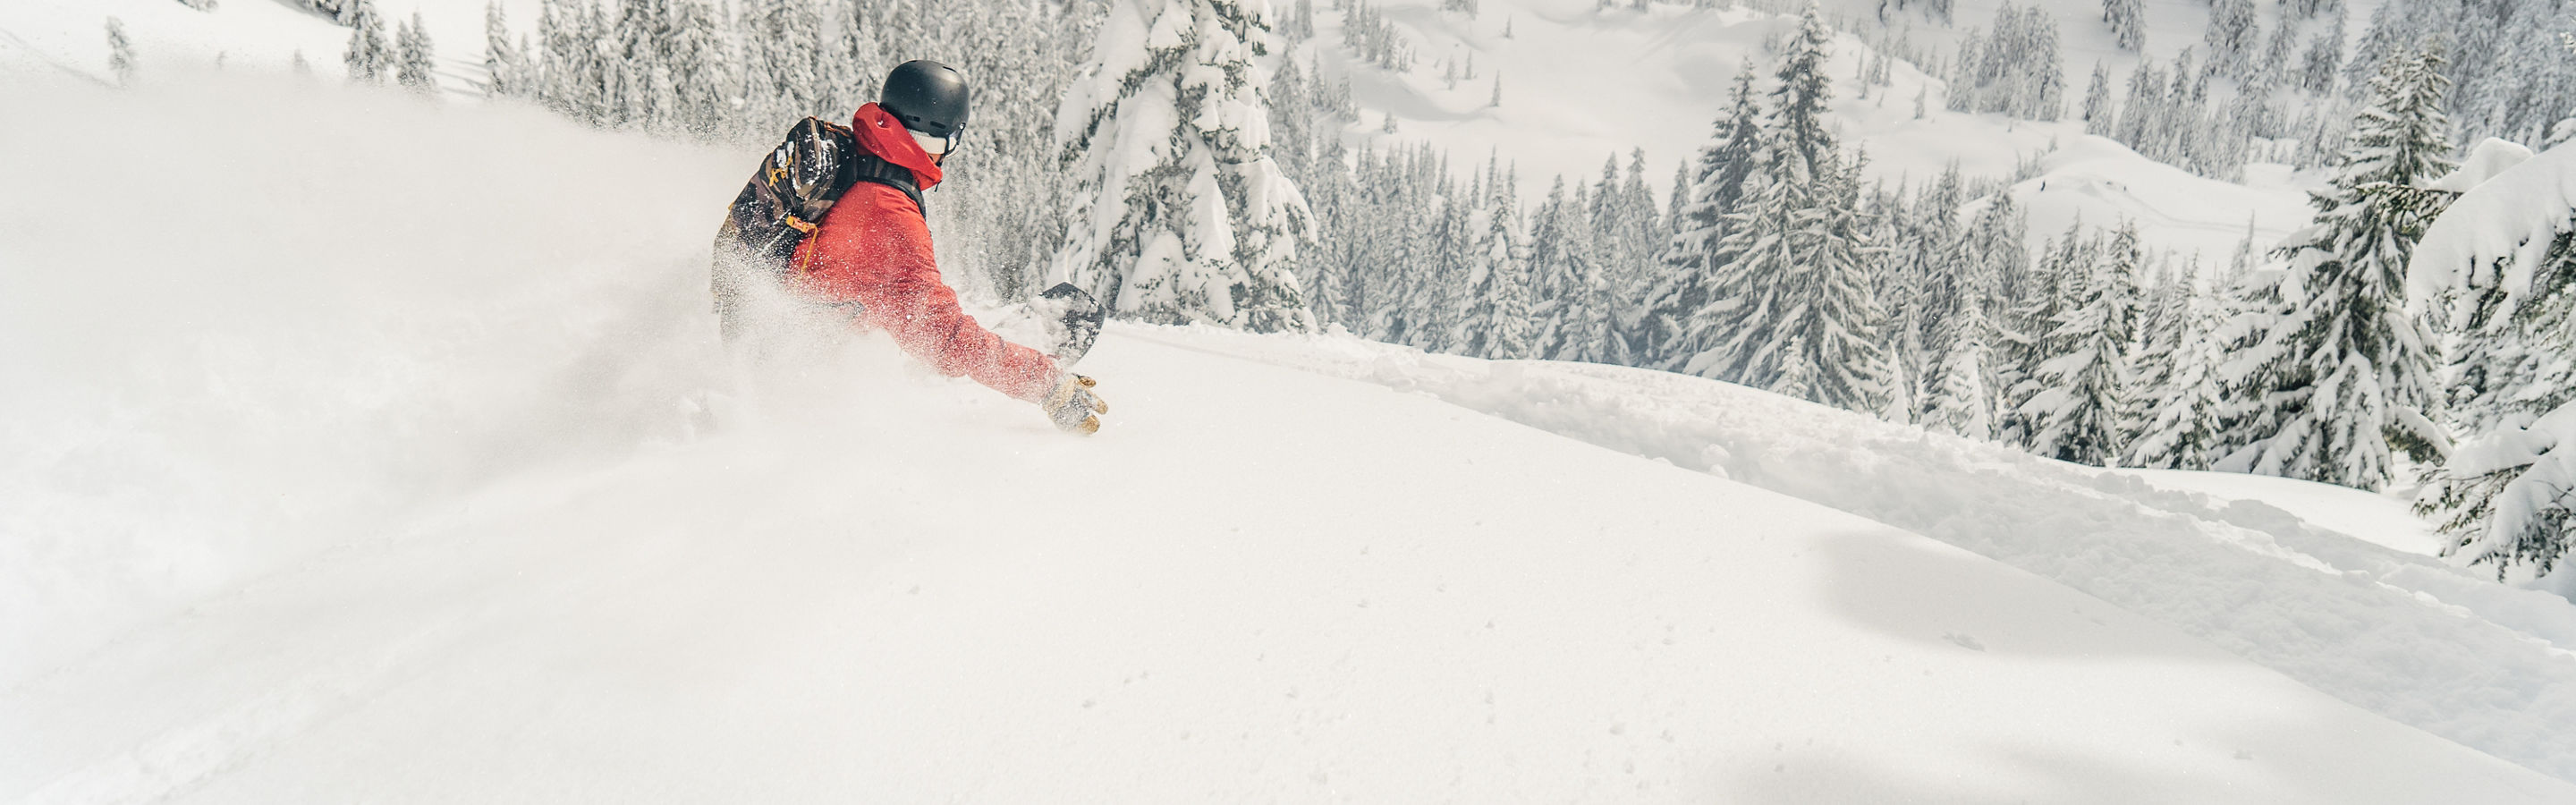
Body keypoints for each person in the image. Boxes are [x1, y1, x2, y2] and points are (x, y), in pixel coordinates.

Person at [715, 60, 1108, 435]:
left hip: (773, 332)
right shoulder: (889, 211)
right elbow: (946, 337)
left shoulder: (856, 154)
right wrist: (1045, 383)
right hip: (797, 372)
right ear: (945, 138)